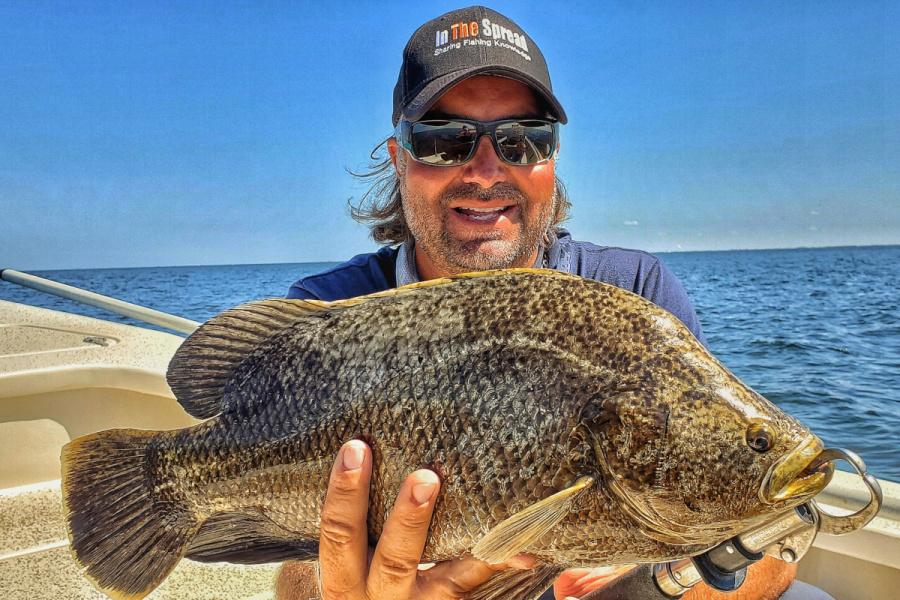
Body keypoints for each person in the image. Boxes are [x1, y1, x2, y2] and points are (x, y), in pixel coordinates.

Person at [279, 6, 832, 600]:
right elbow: (287, 566)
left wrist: (643, 585)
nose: (486, 170)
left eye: (522, 140)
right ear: (399, 159)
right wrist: (340, 587)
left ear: (552, 158)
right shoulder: (330, 311)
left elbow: (773, 552)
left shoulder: (636, 294)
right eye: (444, 140)